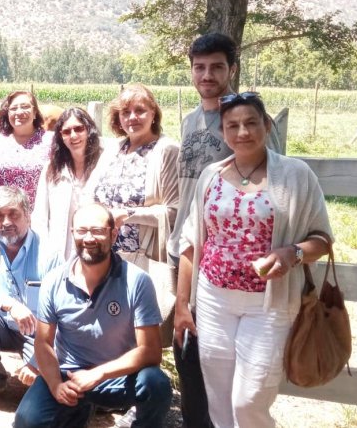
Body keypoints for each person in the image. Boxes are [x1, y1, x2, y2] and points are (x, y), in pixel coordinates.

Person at [174, 92, 332, 427]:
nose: (242, 132)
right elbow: (190, 242)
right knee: (217, 399)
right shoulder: (210, 176)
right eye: (233, 125)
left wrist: (293, 253)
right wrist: (183, 304)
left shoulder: (295, 175)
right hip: (213, 300)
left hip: (269, 305)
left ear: (267, 125)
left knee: (249, 401)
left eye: (250, 123)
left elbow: (323, 239)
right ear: (223, 131)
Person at [165, 32, 282, 428]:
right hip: (184, 251)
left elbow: (276, 185)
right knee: (188, 349)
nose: (207, 74)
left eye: (217, 66)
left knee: (230, 363)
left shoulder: (247, 119)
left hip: (232, 264)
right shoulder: (190, 120)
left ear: (232, 69)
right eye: (200, 67)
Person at [14, 203, 171, 428]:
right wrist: (56, 385)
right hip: (70, 375)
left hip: (117, 377)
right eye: (82, 230)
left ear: (113, 234)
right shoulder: (53, 281)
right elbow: (43, 343)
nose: (89, 238)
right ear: (73, 234)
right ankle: (77, 411)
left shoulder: (137, 281)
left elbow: (151, 351)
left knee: (156, 383)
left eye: (97, 231)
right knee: (27, 421)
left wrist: (98, 374)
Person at [0, 186, 62, 405]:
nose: (6, 222)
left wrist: (36, 363)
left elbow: (62, 313)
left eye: (13, 214)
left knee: (49, 393)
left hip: (39, 335)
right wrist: (8, 304)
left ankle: (37, 373)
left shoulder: (49, 252)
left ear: (28, 215)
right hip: (0, 324)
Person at [86, 84, 179, 260]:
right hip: (103, 255)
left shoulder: (167, 151)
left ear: (153, 114)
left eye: (140, 110)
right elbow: (88, 194)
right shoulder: (114, 148)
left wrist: (127, 215)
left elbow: (174, 212)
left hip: (143, 258)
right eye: (125, 112)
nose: (132, 117)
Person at [0, 91, 53, 242]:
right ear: (7, 113)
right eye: (14, 108)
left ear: (35, 112)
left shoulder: (50, 141)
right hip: (0, 220)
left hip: (36, 221)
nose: (19, 112)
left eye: (25, 107)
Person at [32, 107, 102, 262]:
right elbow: (40, 217)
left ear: (89, 130)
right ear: (60, 136)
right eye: (66, 131)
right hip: (59, 254)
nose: (73, 135)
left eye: (79, 129)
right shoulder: (52, 169)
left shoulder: (104, 166)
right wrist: (45, 252)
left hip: (97, 253)